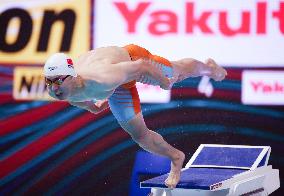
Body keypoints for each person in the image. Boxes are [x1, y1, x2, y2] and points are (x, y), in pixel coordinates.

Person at [43, 44, 227, 188]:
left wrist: (164, 82)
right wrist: (94, 107)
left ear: (71, 76)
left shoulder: (102, 77)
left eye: (58, 81)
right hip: (115, 85)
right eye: (49, 82)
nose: (54, 87)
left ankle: (209, 69)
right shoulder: (59, 91)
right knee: (140, 136)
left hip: (134, 59)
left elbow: (142, 66)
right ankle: (176, 157)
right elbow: (79, 101)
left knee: (176, 72)